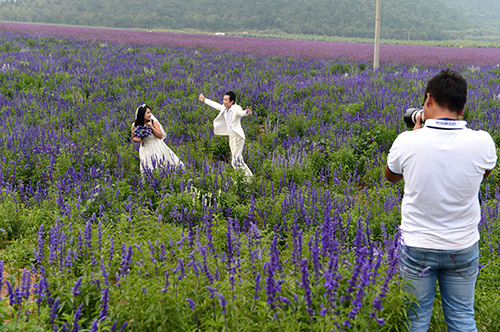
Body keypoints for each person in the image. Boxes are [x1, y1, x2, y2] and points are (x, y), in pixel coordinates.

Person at [385, 69, 497, 332]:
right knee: (461, 318)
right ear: (463, 107)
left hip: (417, 245)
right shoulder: (483, 142)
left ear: (428, 99)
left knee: (414, 319)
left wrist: (415, 133)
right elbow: (485, 171)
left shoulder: (407, 141)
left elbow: (391, 176)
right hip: (462, 245)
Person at [198, 91, 253, 178]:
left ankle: (244, 179)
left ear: (231, 102)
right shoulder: (224, 108)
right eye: (223, 99)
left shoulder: (236, 108)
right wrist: (205, 100)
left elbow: (240, 113)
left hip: (238, 137)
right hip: (231, 136)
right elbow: (216, 105)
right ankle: (249, 177)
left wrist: (246, 112)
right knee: (238, 159)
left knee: (235, 161)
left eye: (226, 100)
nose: (223, 101)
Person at [131, 104, 184, 173]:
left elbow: (160, 136)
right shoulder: (135, 125)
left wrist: (152, 127)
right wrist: (140, 140)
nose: (150, 114)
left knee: (161, 163)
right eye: (148, 113)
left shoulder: (153, 122)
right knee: (146, 164)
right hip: (145, 147)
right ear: (142, 114)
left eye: (150, 112)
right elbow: (133, 137)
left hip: (156, 146)